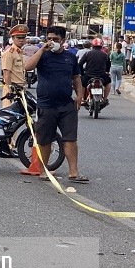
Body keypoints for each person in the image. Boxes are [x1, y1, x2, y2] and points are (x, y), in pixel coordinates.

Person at [24, 25, 87, 183]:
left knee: (70, 139)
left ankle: (74, 172)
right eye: (49, 38)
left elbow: (76, 78)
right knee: (45, 140)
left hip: (66, 105)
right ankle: (43, 170)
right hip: (46, 105)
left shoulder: (70, 57)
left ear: (63, 40)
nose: (52, 42)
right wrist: (41, 50)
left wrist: (79, 96)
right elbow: (28, 67)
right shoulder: (43, 56)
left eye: (56, 39)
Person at [0, 25, 29, 105]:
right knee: (11, 114)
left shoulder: (20, 52)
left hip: (21, 88)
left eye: (23, 38)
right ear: (12, 39)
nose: (21, 40)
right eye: (18, 38)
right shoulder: (9, 53)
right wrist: (9, 88)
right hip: (12, 89)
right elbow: (6, 73)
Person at [79, 38, 112, 104]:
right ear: (101, 46)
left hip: (88, 75)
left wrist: (82, 73)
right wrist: (107, 72)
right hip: (102, 75)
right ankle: (105, 99)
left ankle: (83, 99)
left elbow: (80, 64)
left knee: (82, 84)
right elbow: (108, 65)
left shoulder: (87, 54)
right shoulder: (105, 55)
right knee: (108, 83)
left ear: (92, 46)